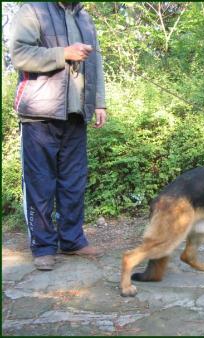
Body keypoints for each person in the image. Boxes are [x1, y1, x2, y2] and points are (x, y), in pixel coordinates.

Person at [10, 2, 107, 270]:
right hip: (39, 113)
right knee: (40, 184)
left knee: (73, 182)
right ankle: (43, 247)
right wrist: (63, 53)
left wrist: (99, 102)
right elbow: (18, 54)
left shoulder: (84, 17)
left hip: (76, 115)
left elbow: (95, 62)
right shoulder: (32, 10)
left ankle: (73, 240)